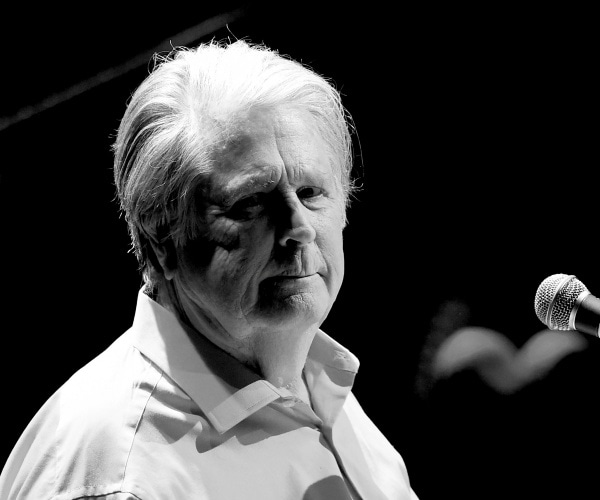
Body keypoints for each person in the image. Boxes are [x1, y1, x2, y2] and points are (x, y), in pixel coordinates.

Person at [0, 39, 418, 499]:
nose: (298, 227)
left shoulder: (312, 376)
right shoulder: (121, 478)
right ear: (162, 240)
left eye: (311, 192)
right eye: (250, 202)